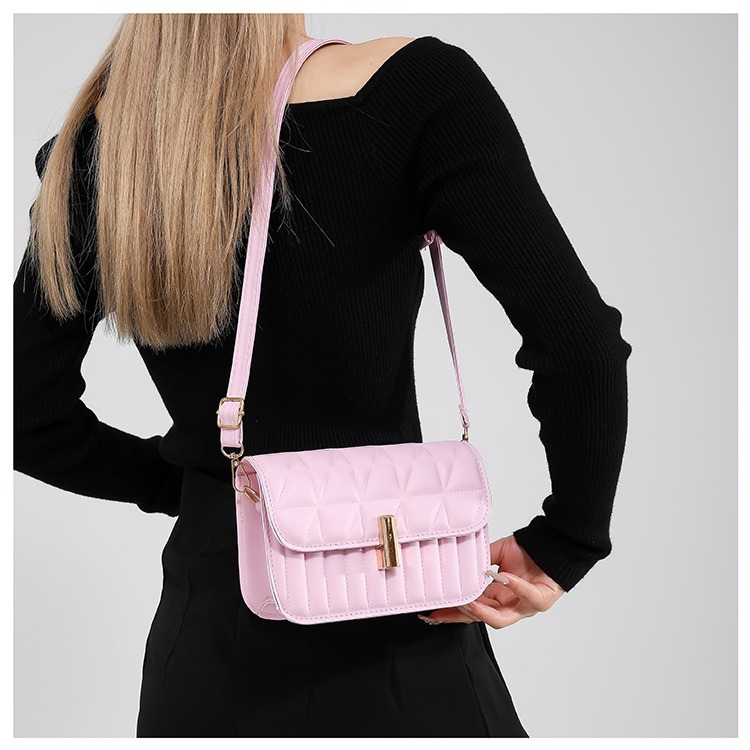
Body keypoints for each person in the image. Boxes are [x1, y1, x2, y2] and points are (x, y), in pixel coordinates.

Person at [13, 14, 632, 738]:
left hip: (207, 650)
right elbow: (582, 345)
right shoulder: (414, 92)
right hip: (401, 602)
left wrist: (193, 486)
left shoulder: (101, 150)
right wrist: (565, 544)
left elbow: (23, 414)